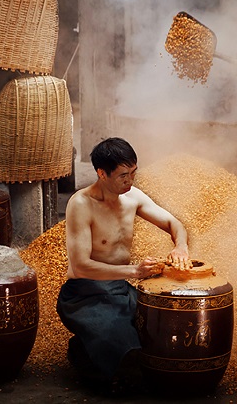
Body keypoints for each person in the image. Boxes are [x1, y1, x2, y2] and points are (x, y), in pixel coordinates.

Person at [56, 137, 190, 393]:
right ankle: (83, 354)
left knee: (161, 332)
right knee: (126, 351)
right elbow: (82, 266)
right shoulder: (81, 204)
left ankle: (91, 348)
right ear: (101, 173)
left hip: (120, 287)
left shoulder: (133, 197)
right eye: (123, 175)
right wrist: (135, 272)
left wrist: (180, 245)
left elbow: (175, 224)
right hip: (84, 293)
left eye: (133, 173)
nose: (130, 181)